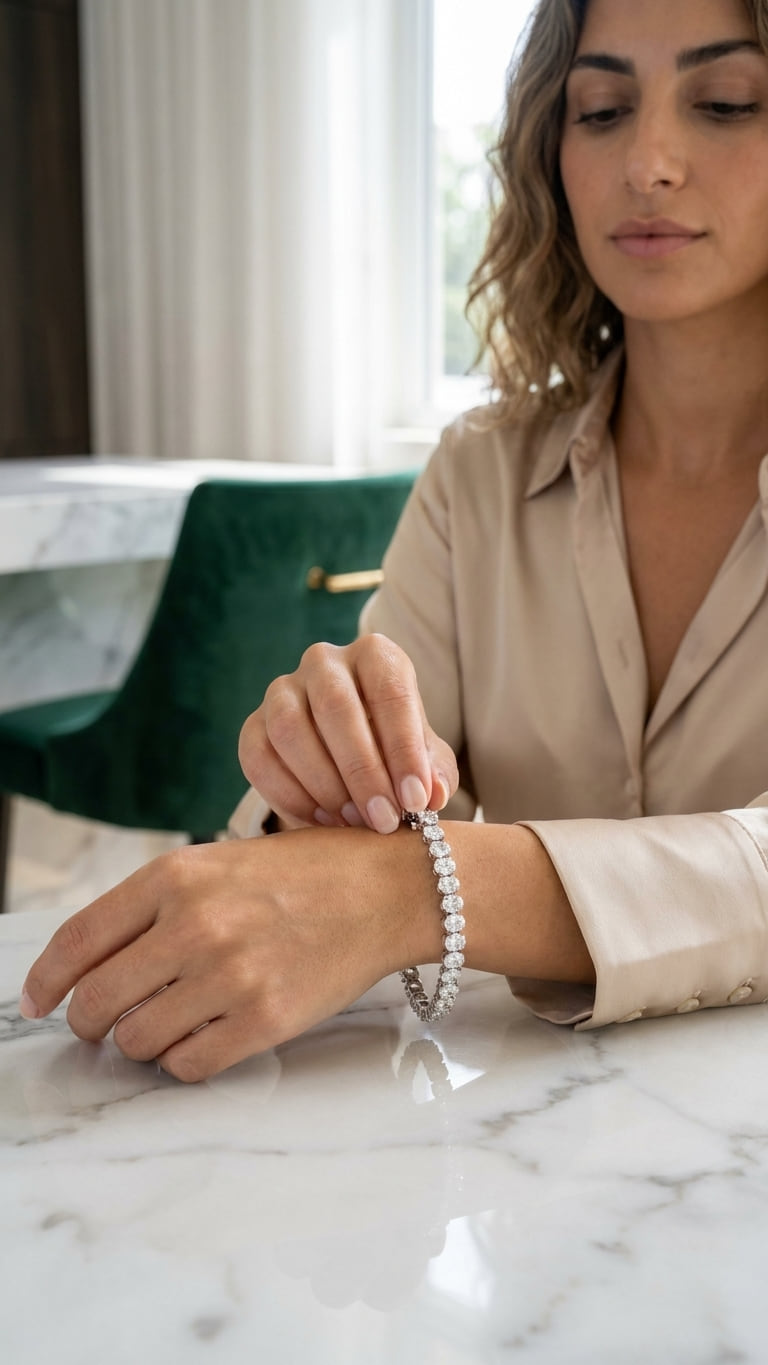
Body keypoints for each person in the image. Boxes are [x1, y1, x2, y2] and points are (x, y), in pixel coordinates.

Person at [19, 0, 768, 1081]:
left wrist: (421, 891)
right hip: (529, 1183)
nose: (647, 161)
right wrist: (314, 786)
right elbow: (335, 862)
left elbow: (399, 892)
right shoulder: (481, 474)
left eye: (725, 102)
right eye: (600, 110)